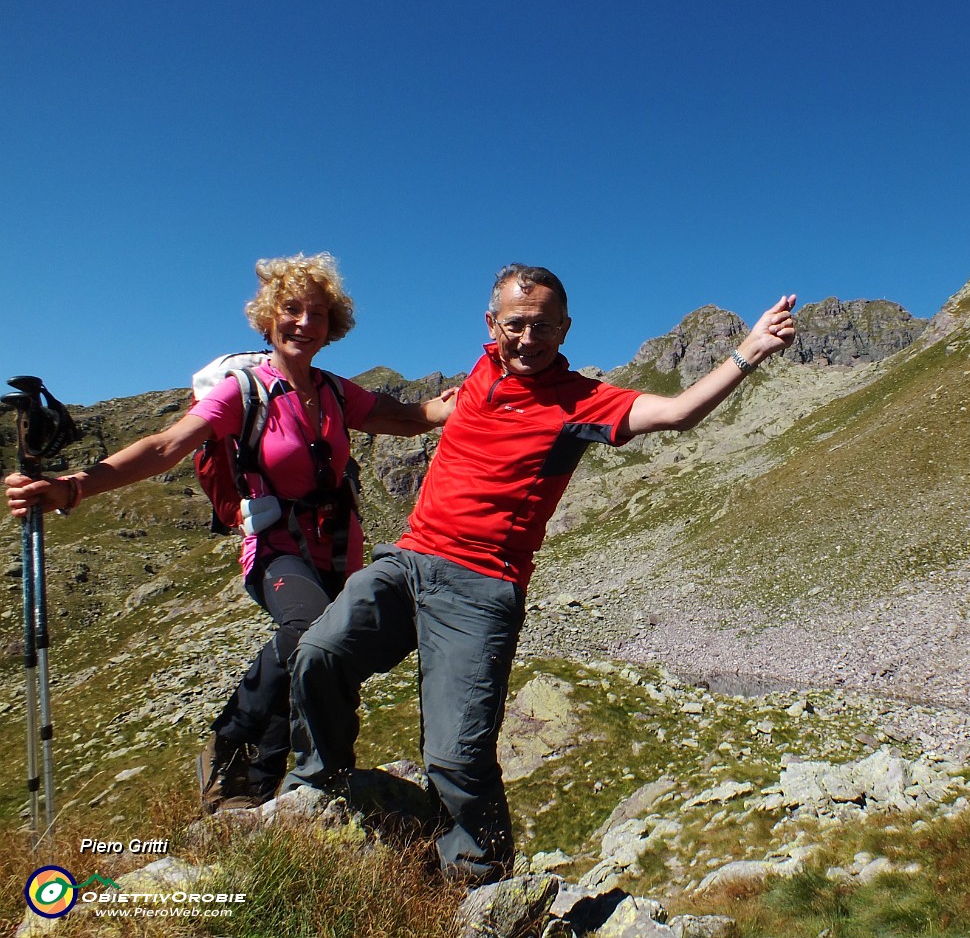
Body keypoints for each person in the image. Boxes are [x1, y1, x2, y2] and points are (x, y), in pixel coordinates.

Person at [281, 263, 797, 881]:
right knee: (318, 653)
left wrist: (748, 352)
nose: (528, 340)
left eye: (544, 328)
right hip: (408, 559)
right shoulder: (480, 370)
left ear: (565, 328)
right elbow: (413, 408)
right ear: (492, 323)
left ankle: (479, 884)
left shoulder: (583, 400)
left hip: (480, 587)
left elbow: (679, 412)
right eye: (516, 325)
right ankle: (321, 787)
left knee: (455, 758)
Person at [4, 252, 456, 810]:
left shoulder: (337, 393)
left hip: (338, 550)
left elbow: (410, 416)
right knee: (309, 631)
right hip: (276, 547)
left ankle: (256, 783)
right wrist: (73, 487)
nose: (304, 323)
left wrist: (473, 398)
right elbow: (165, 447)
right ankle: (234, 746)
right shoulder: (243, 389)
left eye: (317, 313)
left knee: (315, 647)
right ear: (268, 317)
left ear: (331, 326)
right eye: (292, 309)